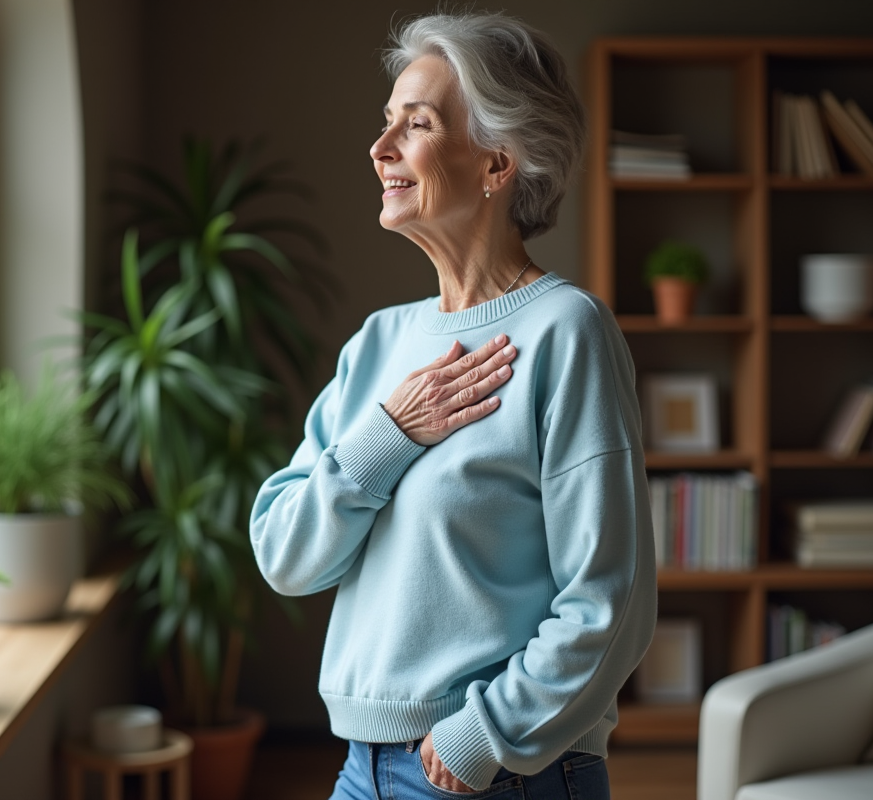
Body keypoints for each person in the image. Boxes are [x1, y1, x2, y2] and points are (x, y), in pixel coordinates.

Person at [250, 11, 656, 800]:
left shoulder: (566, 331)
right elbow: (285, 556)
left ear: (497, 163)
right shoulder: (378, 345)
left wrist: (483, 735)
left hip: (494, 770)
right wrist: (387, 436)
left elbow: (614, 597)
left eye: (418, 123)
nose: (380, 148)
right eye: (385, 123)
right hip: (361, 765)